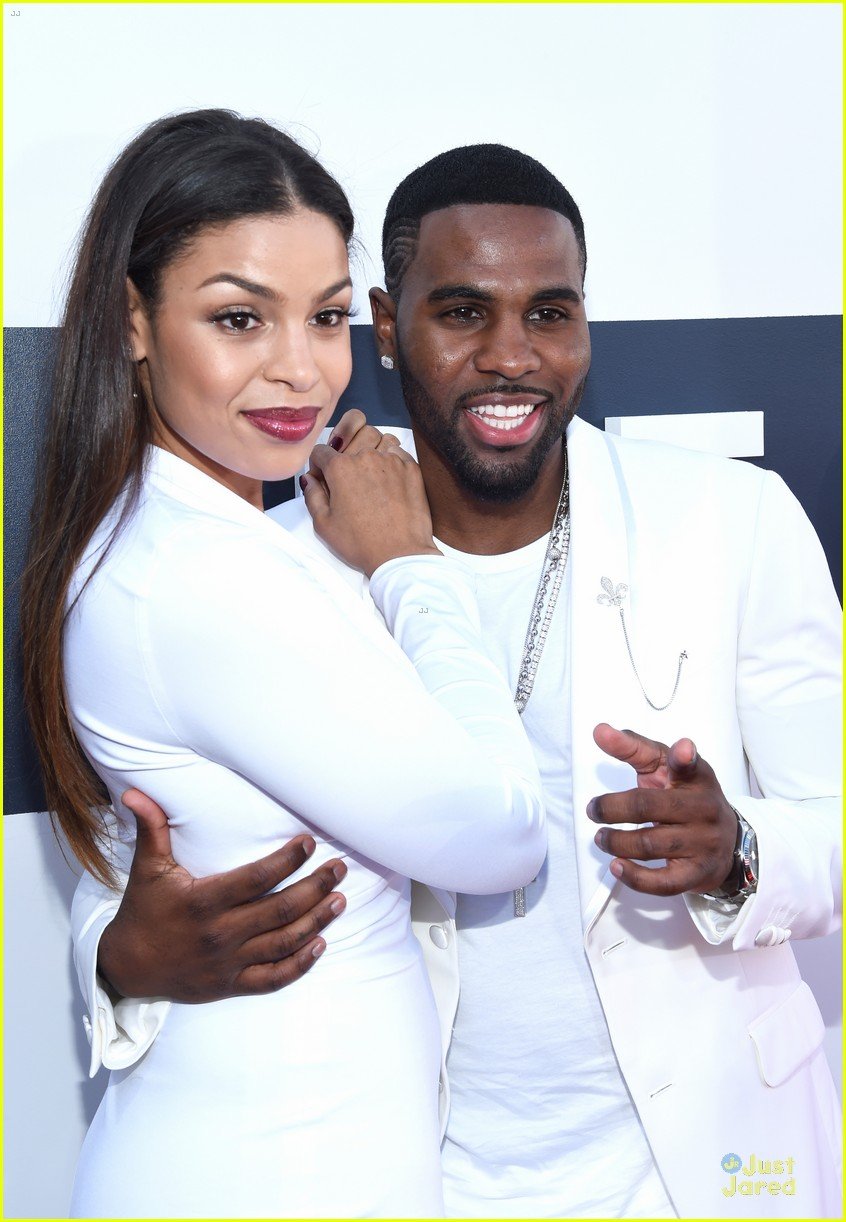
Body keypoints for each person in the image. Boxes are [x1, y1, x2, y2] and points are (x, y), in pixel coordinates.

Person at [68, 144, 841, 1218]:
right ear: (387, 326)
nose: (513, 356)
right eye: (464, 312)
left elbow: (833, 817)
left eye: (551, 313)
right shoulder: (282, 547)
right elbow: (153, 833)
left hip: (701, 1159)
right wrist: (116, 954)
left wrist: (737, 851)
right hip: (428, 1165)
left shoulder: (730, 521)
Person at [19, 115, 549, 1220]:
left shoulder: (182, 537)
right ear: (135, 320)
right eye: (238, 317)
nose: (299, 369)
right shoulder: (202, 577)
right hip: (272, 1169)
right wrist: (411, 564)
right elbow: (503, 831)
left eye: (325, 317)